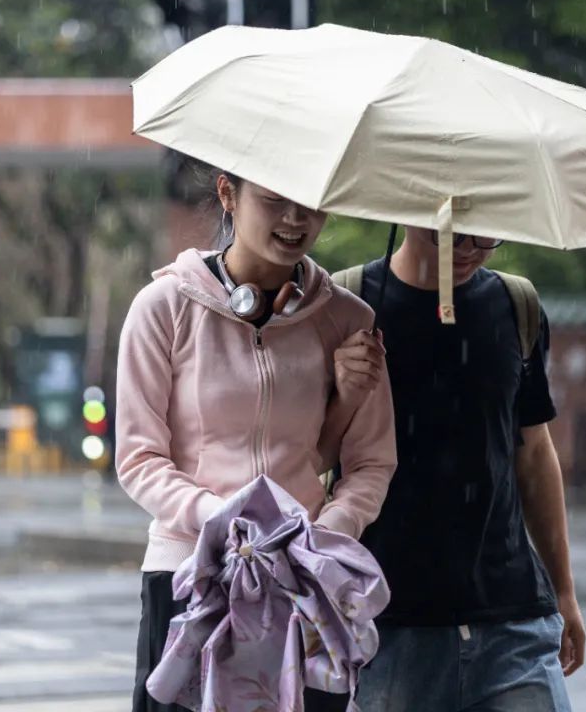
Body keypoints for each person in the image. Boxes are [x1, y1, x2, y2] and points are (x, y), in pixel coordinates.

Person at [115, 171, 397, 712]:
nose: (295, 221)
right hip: (189, 575)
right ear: (228, 194)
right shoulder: (162, 308)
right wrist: (222, 520)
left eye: (310, 205)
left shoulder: (351, 323)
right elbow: (139, 458)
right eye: (274, 201)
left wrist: (320, 536)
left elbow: (372, 462)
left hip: (304, 583)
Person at [329, 227, 585, 711]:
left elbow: (533, 452)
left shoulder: (516, 304)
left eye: (485, 238)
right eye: (452, 237)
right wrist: (343, 389)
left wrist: (564, 590)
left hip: (512, 615)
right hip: (387, 621)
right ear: (407, 216)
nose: (469, 252)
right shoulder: (349, 305)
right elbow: (312, 452)